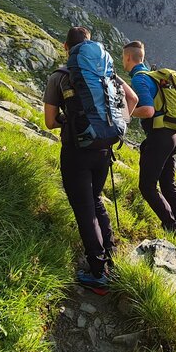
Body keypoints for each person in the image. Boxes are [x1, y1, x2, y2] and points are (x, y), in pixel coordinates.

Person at [44, 27, 138, 292]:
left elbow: (49, 122)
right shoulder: (107, 75)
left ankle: (99, 273)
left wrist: (69, 121)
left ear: (66, 47)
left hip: (76, 151)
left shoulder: (60, 77)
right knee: (95, 200)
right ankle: (111, 253)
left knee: (84, 209)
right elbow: (133, 99)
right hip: (105, 149)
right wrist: (117, 124)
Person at [123, 40, 176, 237]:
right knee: (168, 184)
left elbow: (148, 111)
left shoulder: (139, 79)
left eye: (123, 58)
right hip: (173, 135)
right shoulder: (153, 76)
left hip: (160, 137)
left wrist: (125, 112)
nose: (123, 62)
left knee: (147, 186)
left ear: (128, 57)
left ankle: (173, 229)